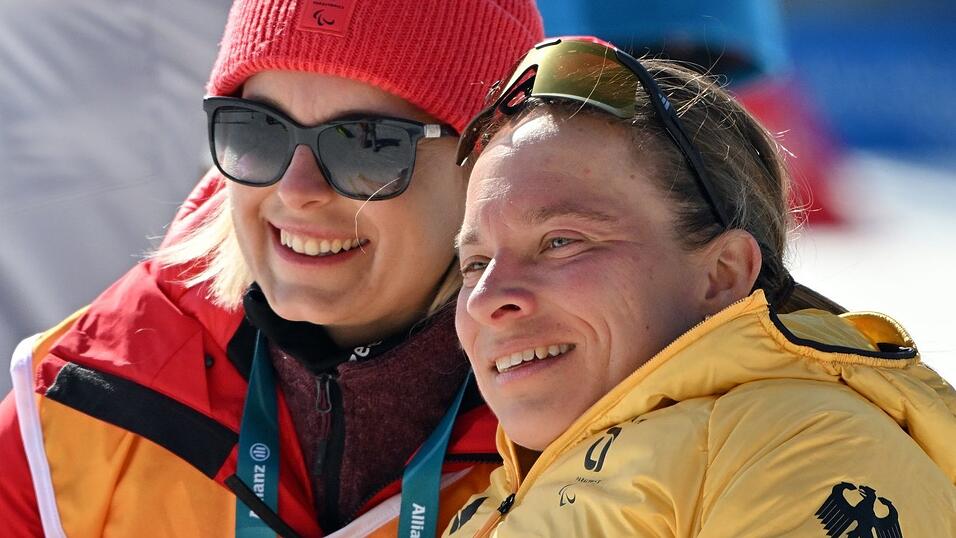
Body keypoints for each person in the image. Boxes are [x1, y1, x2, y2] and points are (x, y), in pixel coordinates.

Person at [0, 1, 543, 536]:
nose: (296, 190)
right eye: (257, 130)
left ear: (488, 164)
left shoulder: (587, 422)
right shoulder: (79, 405)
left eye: (366, 144)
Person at [445, 37, 956, 537]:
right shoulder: (496, 497)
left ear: (724, 274)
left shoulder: (802, 447)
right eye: (474, 262)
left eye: (560, 241)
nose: (489, 298)